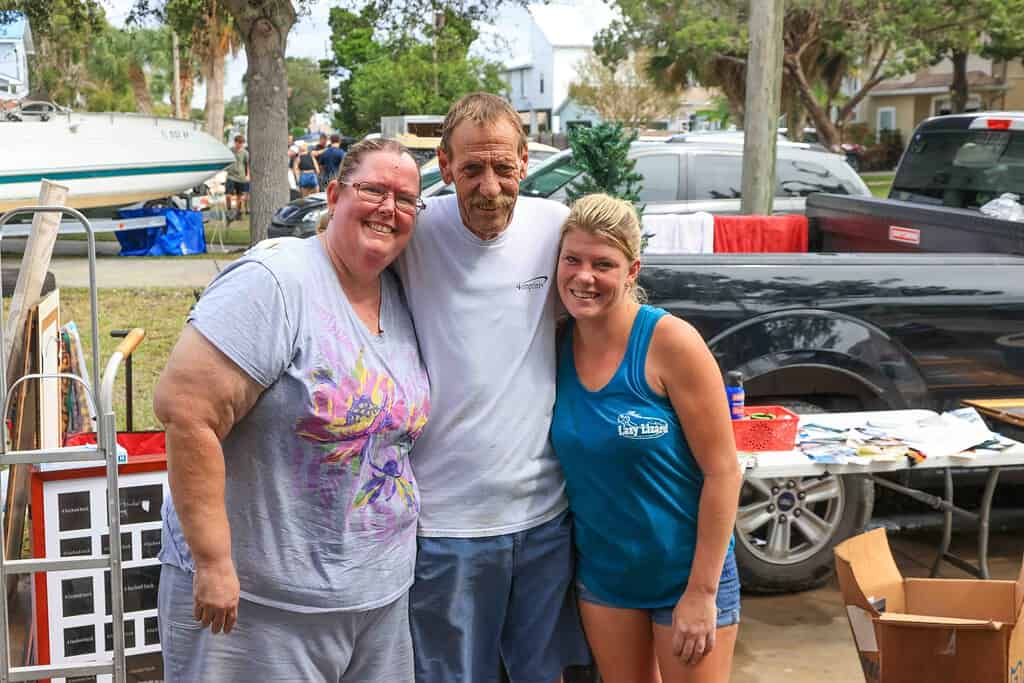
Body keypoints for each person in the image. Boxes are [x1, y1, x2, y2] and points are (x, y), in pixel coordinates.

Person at [154, 138, 431, 683]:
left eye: (404, 199)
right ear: (332, 195)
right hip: (260, 607)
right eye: (373, 189)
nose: (388, 208)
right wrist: (212, 562)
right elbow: (187, 410)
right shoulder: (277, 281)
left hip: (376, 599)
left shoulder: (398, 295)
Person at [396, 92, 590, 682]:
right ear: (445, 166)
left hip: (542, 518)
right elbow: (335, 254)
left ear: (525, 162)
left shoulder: (556, 229)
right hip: (446, 525)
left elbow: (608, 298)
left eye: (503, 168)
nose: (489, 187)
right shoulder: (412, 231)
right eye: (472, 169)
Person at [550, 194, 744, 683]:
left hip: (685, 576)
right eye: (572, 259)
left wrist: (701, 591)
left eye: (603, 264)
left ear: (632, 270)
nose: (584, 276)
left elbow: (724, 471)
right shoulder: (553, 345)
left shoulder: (670, 342)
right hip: (606, 580)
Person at [225, 134, 249, 219]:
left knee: (239, 197)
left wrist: (247, 176)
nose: (240, 145)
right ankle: (229, 211)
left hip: (241, 178)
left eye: (241, 143)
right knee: (228, 195)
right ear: (235, 142)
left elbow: (247, 165)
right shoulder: (229, 151)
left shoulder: (245, 153)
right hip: (231, 176)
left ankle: (238, 213)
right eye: (238, 143)